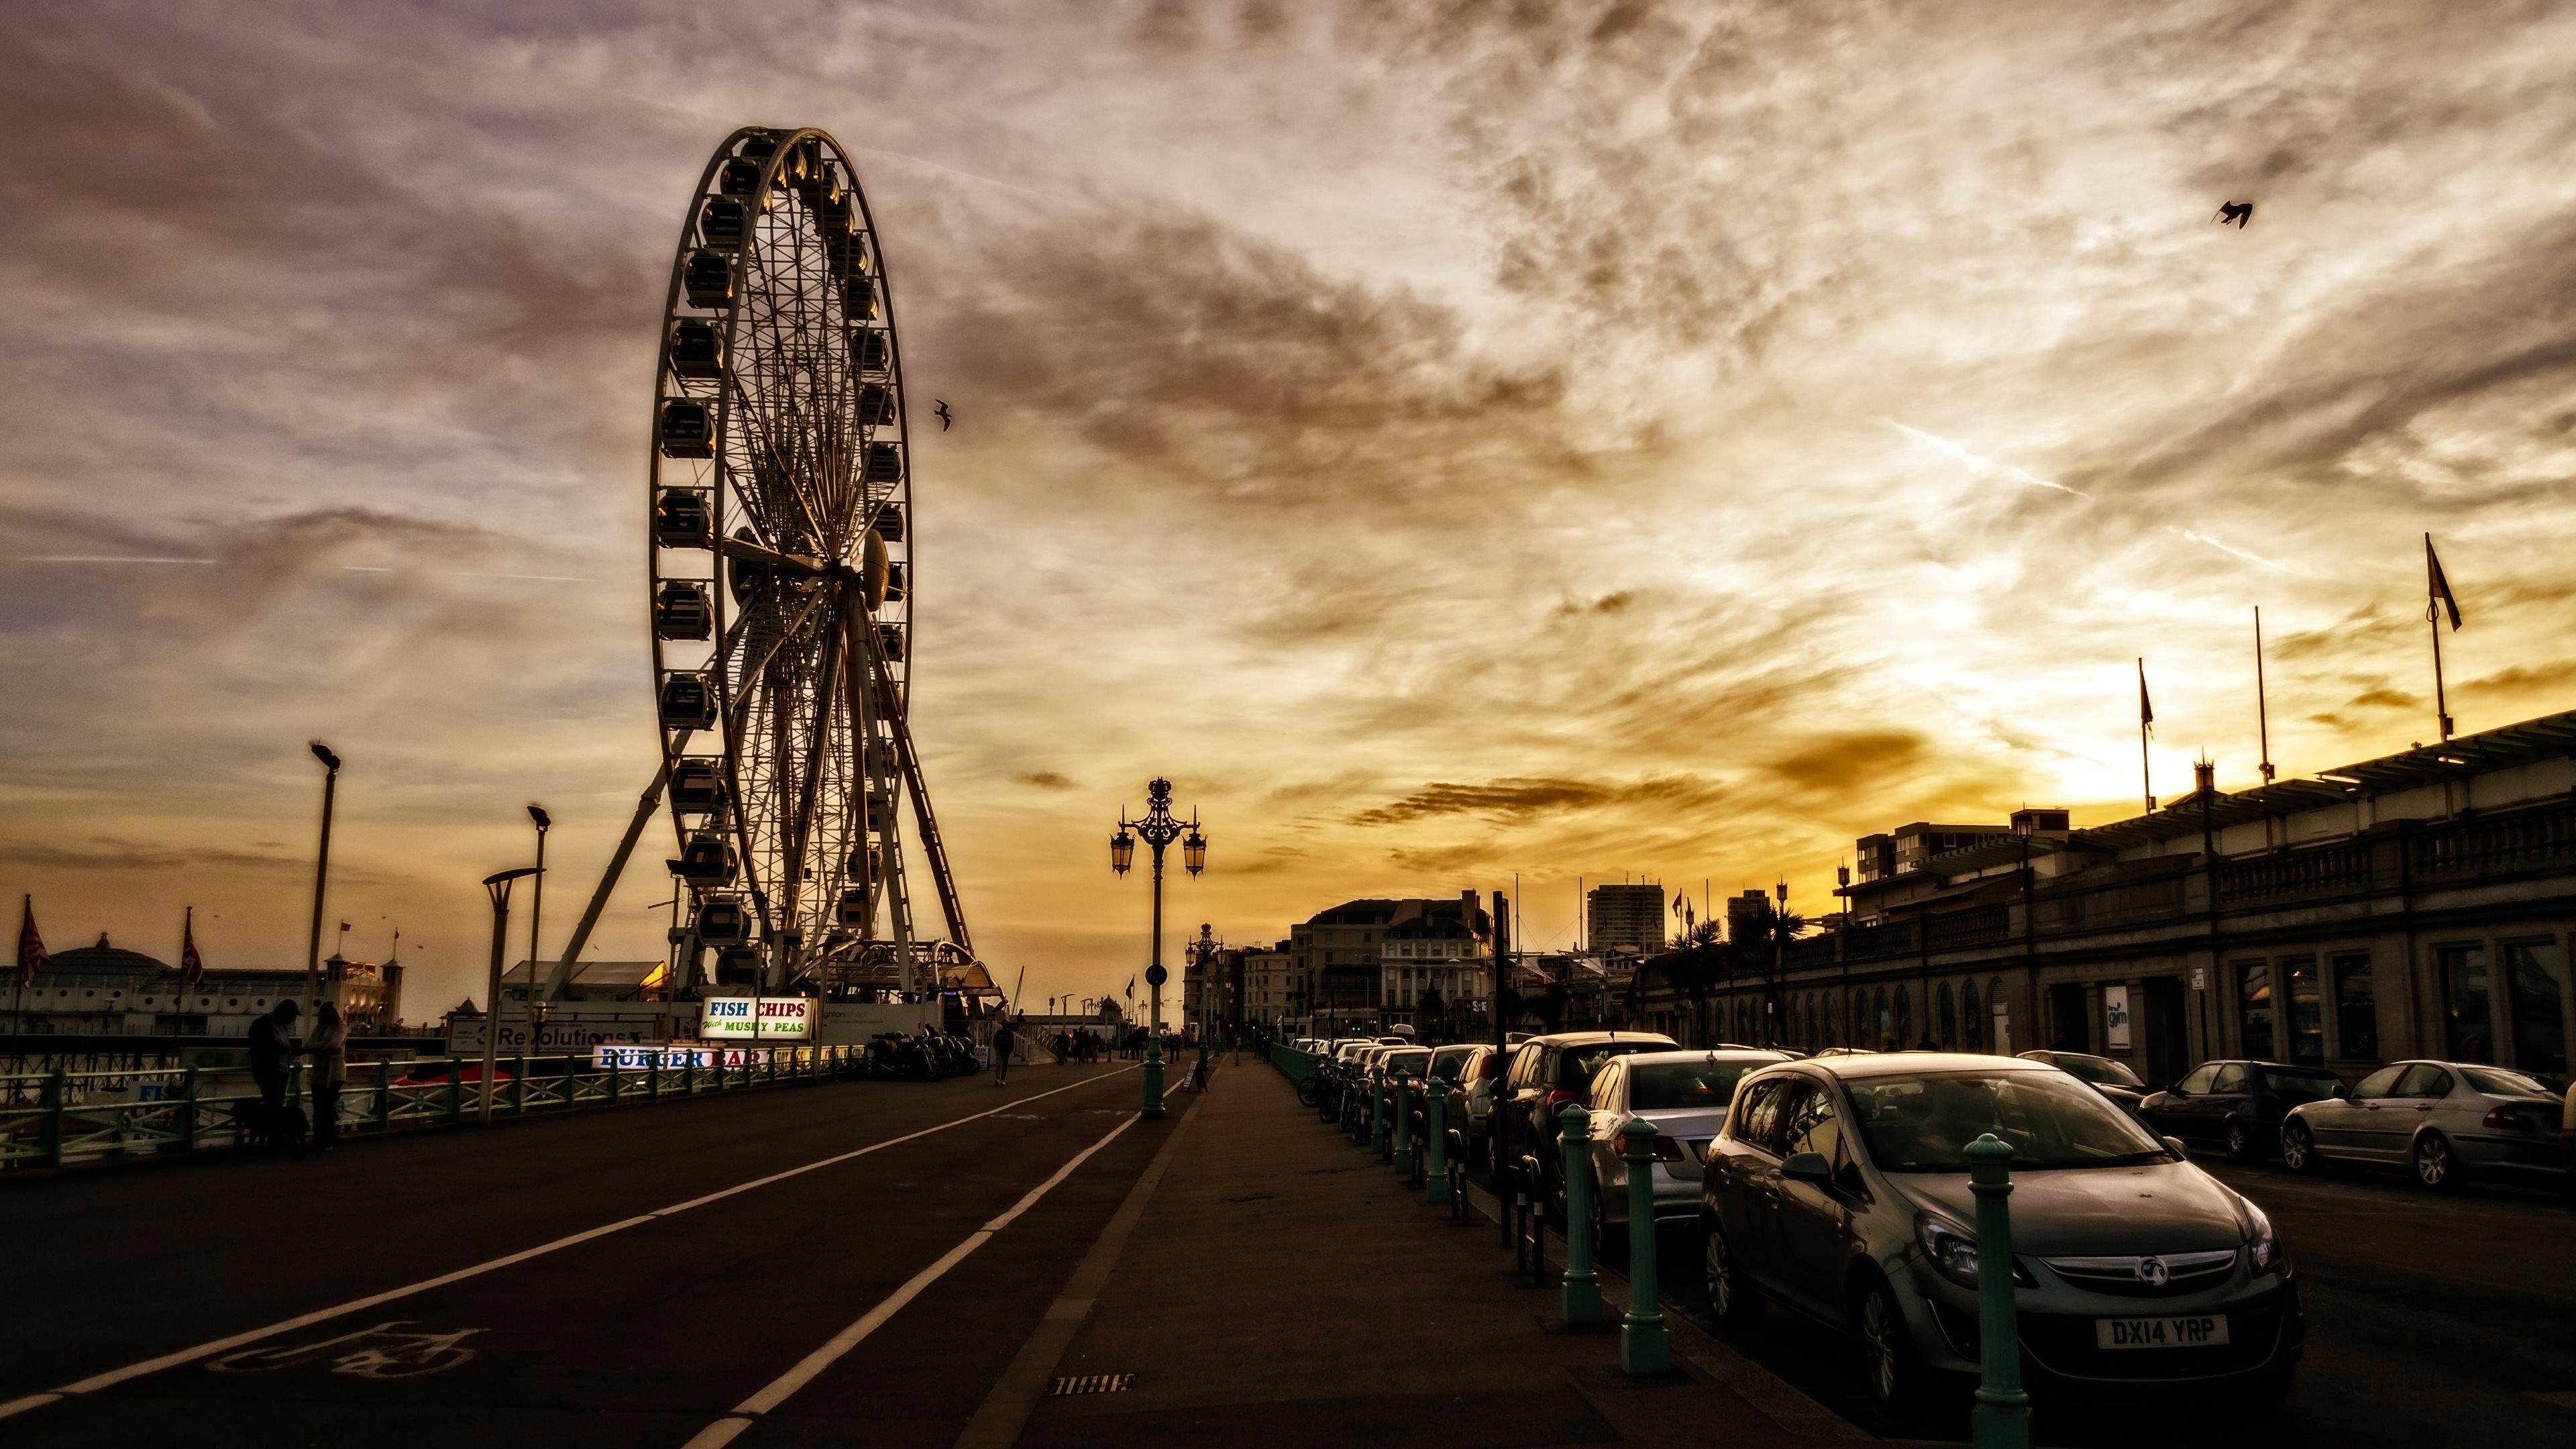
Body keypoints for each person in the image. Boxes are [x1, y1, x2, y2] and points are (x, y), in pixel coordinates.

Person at [307, 1001, 349, 1149]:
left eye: (329, 1011)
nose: (326, 1014)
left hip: (335, 1073)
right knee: (318, 1107)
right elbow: (308, 1045)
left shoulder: (341, 1027)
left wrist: (317, 1049)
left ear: (335, 1013)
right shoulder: (318, 1028)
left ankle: (327, 1140)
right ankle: (318, 1139)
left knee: (327, 1106)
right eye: (324, 1011)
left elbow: (334, 1045)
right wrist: (324, 1045)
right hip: (318, 1072)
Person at [247, 999, 301, 1115]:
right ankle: (274, 1131)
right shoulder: (262, 1024)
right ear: (283, 1013)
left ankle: (273, 1130)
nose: (292, 1021)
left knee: (276, 1105)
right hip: (269, 1072)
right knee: (275, 1106)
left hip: (281, 1071)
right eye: (291, 1017)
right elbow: (263, 1045)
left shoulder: (281, 1026)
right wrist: (287, 1047)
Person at [990, 1018, 1018, 1086]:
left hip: (1006, 1051)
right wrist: (997, 1049)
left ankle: (1002, 1079)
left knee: (1004, 1066)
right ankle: (998, 1079)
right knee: (999, 1065)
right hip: (1000, 1051)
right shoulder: (999, 1032)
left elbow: (1012, 1043)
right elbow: (995, 1041)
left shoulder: (1009, 1033)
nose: (1005, 1026)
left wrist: (1010, 1051)